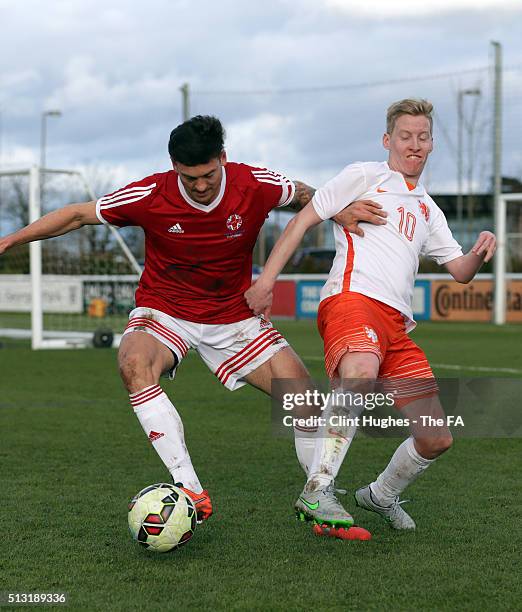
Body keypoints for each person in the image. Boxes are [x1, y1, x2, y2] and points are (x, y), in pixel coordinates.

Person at [0, 115, 386, 525]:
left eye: (208, 175)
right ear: (174, 168)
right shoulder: (149, 194)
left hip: (234, 316)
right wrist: (10, 239)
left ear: (223, 157)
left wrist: (339, 208)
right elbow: (78, 215)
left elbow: (306, 195)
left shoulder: (255, 183)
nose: (201, 186)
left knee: (305, 402)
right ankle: (190, 489)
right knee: (134, 363)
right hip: (166, 310)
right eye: (189, 178)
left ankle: (317, 498)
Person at [245, 99, 496, 530]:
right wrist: (266, 280)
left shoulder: (429, 210)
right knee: (359, 371)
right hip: (351, 301)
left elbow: (460, 272)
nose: (414, 144)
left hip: (397, 326)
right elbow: (301, 221)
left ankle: (380, 495)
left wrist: (479, 252)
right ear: (388, 140)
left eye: (422, 137)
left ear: (431, 144)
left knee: (436, 438)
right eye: (405, 136)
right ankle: (317, 490)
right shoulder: (364, 175)